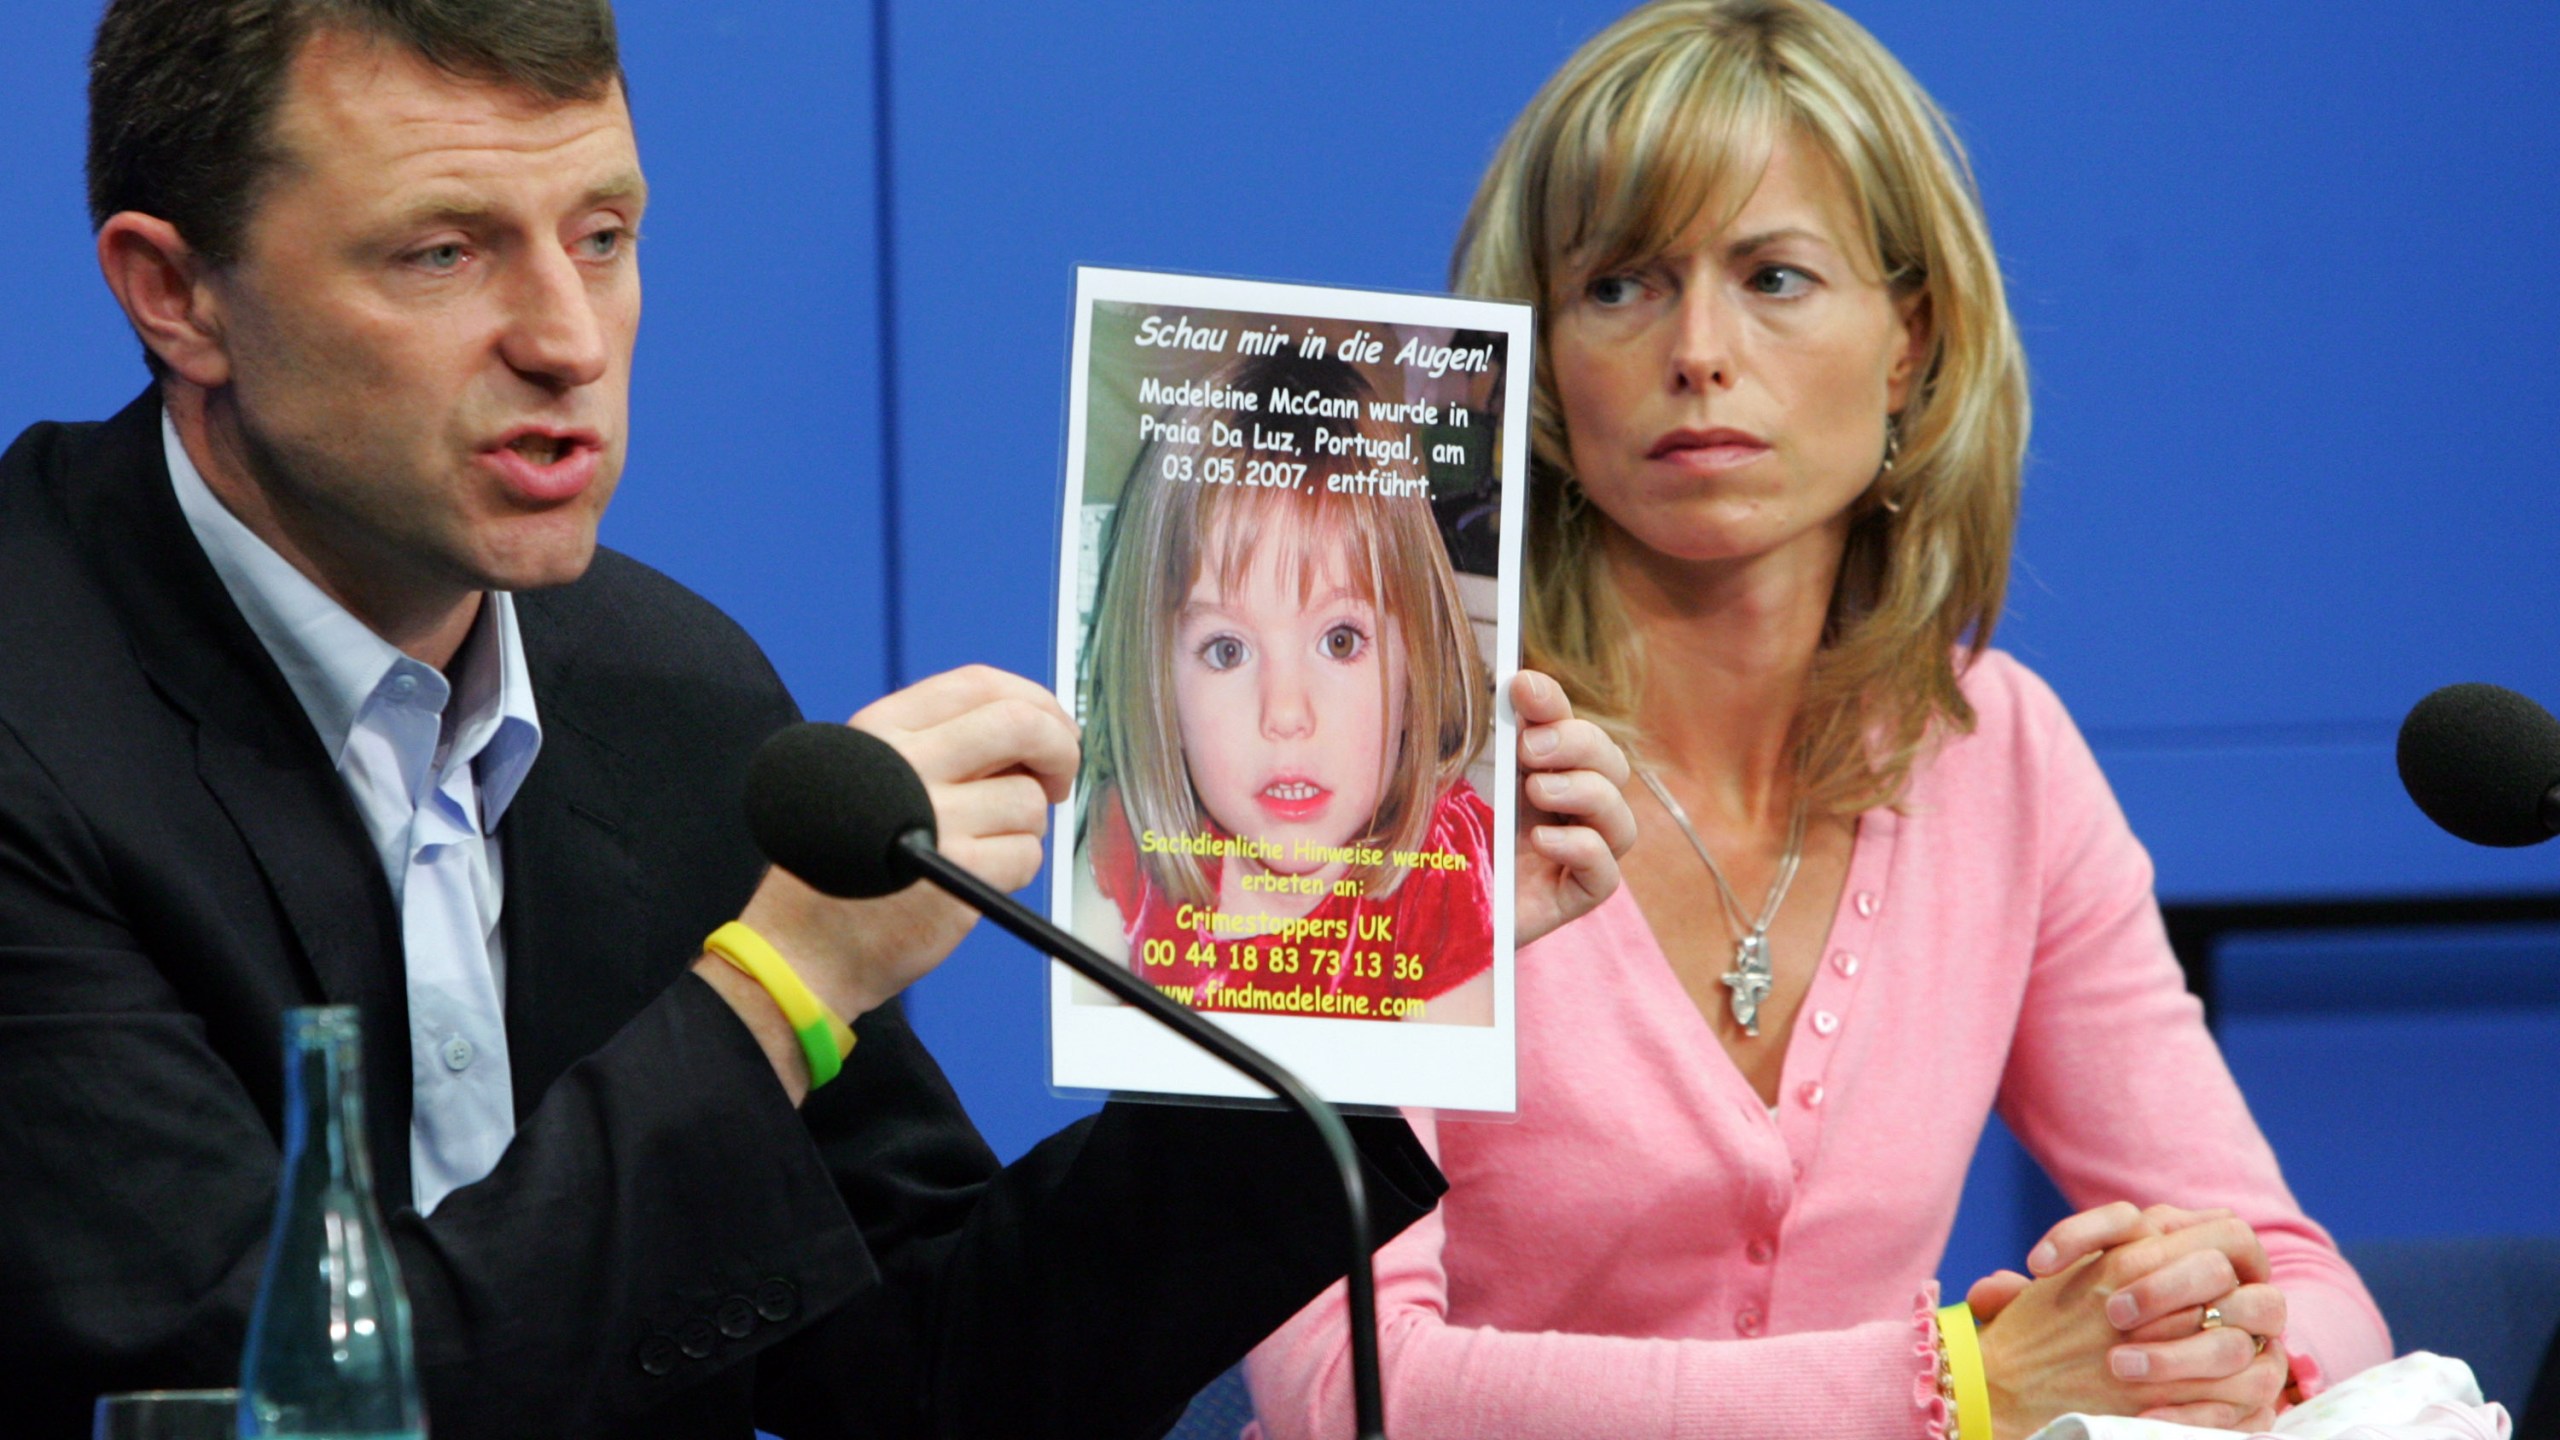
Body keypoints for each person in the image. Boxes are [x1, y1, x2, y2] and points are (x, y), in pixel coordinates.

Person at [0, 1, 1638, 1435]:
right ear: (177, 295)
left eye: (605, 235)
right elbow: (258, 1401)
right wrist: (773, 995)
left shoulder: (665, 689)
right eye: (443, 251)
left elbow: (939, 1377)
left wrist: (1359, 984)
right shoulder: (31, 723)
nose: (567, 341)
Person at [1244, 2, 2392, 1437]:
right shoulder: (1366, 755)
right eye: (1621, 287)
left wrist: (2210, 1341)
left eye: (1775, 277)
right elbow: (1348, 1391)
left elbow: (2299, 1281)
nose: (1701, 351)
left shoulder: (1996, 750)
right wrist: (1955, 1389)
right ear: (1538, 363)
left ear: (1910, 343)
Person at [1075, 351, 1497, 1026]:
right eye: (1227, 650)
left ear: (1417, 661)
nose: (1286, 714)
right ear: (1159, 685)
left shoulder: (1444, 870)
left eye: (1339, 641)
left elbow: (1425, 1132)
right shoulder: (1134, 845)